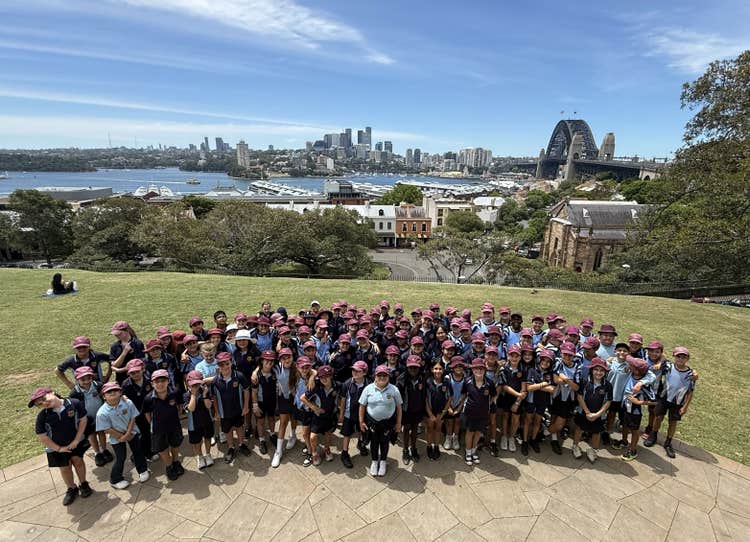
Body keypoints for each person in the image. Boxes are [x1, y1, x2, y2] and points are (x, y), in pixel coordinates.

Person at [30, 387, 92, 506]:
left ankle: (83, 483)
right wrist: (58, 448)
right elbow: (42, 436)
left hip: (75, 442)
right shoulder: (43, 416)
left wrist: (77, 439)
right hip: (57, 448)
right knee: (65, 468)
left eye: (44, 398)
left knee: (78, 461)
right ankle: (71, 488)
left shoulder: (73, 403)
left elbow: (83, 420)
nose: (44, 403)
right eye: (40, 404)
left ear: (52, 392)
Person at [95, 381, 149, 488]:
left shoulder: (128, 403)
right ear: (104, 396)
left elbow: (132, 417)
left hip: (131, 433)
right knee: (121, 457)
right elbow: (107, 429)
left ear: (120, 392)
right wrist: (122, 436)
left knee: (138, 451)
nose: (112, 393)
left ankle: (142, 470)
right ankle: (115, 479)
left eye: (115, 390)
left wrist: (128, 433)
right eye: (108, 392)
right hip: (116, 438)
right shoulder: (102, 413)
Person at [644, 347, 696, 458]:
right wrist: (660, 362)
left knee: (673, 422)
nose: (680, 359)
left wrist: (686, 406)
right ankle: (653, 435)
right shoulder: (668, 366)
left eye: (683, 357)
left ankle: (668, 442)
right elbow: (663, 357)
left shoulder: (690, 374)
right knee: (658, 417)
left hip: (678, 402)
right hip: (664, 397)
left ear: (687, 359)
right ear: (674, 357)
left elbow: (690, 392)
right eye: (678, 356)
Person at [359, 364, 403, 477]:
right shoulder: (368, 388)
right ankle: (374, 461)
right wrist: (361, 421)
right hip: (372, 422)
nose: (382, 377)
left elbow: (399, 407)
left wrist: (398, 423)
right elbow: (362, 406)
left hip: (387, 423)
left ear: (388, 377)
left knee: (384, 442)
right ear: (375, 376)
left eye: (385, 375)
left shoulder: (394, 389)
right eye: (380, 375)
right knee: (374, 442)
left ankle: (383, 461)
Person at [142, 369, 184, 480]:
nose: (160, 384)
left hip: (174, 426)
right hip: (158, 429)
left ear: (168, 381)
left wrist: (176, 417)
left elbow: (180, 407)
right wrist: (153, 424)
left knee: (175, 445)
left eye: (163, 380)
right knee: (163, 448)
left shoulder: (175, 392)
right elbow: (147, 414)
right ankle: (169, 466)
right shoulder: (148, 399)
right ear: (152, 384)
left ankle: (176, 462)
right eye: (156, 381)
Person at [572, 358, 612, 463]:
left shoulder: (607, 385)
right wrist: (587, 412)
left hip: (599, 415)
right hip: (583, 412)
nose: (598, 373)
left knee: (596, 433)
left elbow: (608, 401)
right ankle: (575, 446)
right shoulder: (585, 381)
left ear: (605, 372)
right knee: (579, 429)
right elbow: (579, 396)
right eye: (596, 369)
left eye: (602, 370)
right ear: (591, 370)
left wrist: (598, 414)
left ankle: (593, 450)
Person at [212, 354, 251, 463]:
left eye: (227, 363)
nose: (225, 366)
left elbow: (246, 390)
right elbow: (214, 397)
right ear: (218, 366)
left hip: (238, 409)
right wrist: (216, 411)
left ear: (231, 363)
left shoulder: (239, 376)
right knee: (227, 430)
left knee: (239, 427)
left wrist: (246, 406)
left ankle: (241, 444)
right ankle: (230, 447)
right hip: (224, 412)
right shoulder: (215, 381)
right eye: (221, 364)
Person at [68, 366, 110, 467]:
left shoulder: (98, 385)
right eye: (83, 379)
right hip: (87, 418)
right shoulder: (75, 392)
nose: (86, 381)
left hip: (100, 415)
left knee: (101, 432)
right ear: (77, 379)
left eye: (89, 378)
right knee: (91, 434)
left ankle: (104, 449)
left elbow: (105, 395)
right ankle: (97, 453)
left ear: (92, 377)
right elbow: (73, 406)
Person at [301, 364, 340, 466]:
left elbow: (342, 398)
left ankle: (327, 449)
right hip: (317, 417)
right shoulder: (316, 386)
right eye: (321, 377)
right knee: (313, 437)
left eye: (326, 376)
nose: (324, 379)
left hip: (330, 416)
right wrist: (314, 408)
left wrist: (340, 411)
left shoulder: (337, 386)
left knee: (328, 434)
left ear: (331, 376)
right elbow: (303, 398)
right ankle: (314, 453)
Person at [461, 358, 497, 466]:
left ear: (485, 370)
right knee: (470, 432)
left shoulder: (489, 383)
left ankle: (473, 450)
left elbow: (494, 395)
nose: (479, 371)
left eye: (481, 369)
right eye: (476, 369)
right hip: (470, 412)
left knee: (478, 432)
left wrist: (488, 404)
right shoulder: (467, 381)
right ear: (472, 370)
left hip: (483, 413)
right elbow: (464, 394)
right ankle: (467, 452)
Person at [620, 357, 656, 462]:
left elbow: (654, 400)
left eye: (631, 365)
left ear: (636, 370)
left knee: (634, 430)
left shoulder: (644, 385)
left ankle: (633, 449)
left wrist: (639, 402)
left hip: (635, 411)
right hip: (625, 407)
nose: (629, 365)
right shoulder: (631, 374)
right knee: (624, 425)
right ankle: (624, 441)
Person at [338, 360, 371, 468]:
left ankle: (361, 444)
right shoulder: (347, 384)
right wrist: (342, 414)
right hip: (349, 414)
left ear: (364, 372)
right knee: (347, 434)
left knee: (361, 430)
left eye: (358, 371)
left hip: (363, 414)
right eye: (353, 370)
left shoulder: (369, 384)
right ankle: (344, 453)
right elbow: (343, 400)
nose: (355, 372)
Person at [396, 355, 427, 465]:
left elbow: (425, 395)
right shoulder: (401, 379)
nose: (413, 370)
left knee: (415, 429)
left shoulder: (423, 378)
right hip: (406, 410)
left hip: (418, 409)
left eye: (415, 367)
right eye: (411, 367)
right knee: (406, 429)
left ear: (419, 368)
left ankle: (414, 448)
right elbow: (397, 398)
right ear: (407, 367)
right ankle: (405, 449)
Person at [184, 370, 215, 469]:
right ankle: (200, 456)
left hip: (207, 420)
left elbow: (209, 406)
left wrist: (205, 395)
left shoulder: (205, 392)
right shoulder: (186, 395)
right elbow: (191, 408)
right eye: (193, 384)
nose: (196, 386)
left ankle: (208, 454)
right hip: (194, 424)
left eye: (198, 384)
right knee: (196, 441)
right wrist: (193, 395)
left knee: (207, 437)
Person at [425, 361, 450, 460]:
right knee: (430, 429)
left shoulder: (446, 382)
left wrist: (444, 412)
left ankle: (436, 446)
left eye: (440, 369)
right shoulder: (428, 382)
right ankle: (429, 446)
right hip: (430, 412)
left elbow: (449, 398)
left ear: (443, 370)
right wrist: (430, 414)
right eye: (435, 368)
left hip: (441, 412)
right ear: (432, 370)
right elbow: (425, 399)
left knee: (438, 429)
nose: (438, 371)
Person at [444, 357, 467, 451]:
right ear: (452, 367)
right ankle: (448, 437)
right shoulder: (447, 378)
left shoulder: (466, 379)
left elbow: (465, 394)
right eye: (456, 366)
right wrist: (448, 407)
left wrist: (459, 408)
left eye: (461, 366)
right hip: (448, 404)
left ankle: (455, 437)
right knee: (449, 422)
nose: (458, 368)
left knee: (457, 422)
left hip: (459, 404)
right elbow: (444, 394)